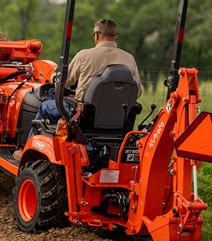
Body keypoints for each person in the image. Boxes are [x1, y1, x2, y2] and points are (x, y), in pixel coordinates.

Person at [13, 19, 143, 161]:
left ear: (97, 35)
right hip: (119, 121)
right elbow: (138, 91)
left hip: (84, 117)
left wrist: (53, 78)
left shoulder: (84, 56)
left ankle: (26, 150)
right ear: (115, 36)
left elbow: (65, 81)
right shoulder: (129, 59)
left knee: (45, 107)